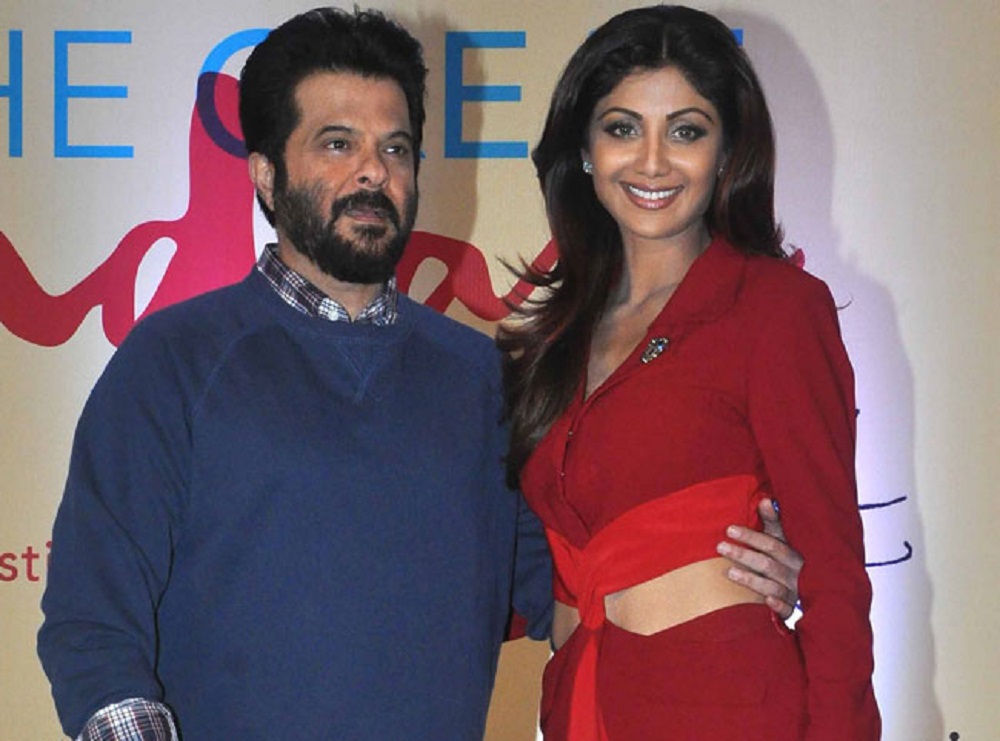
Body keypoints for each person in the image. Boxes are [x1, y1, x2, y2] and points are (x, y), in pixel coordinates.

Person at [38, 7, 803, 741]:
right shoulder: (174, 362)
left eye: (396, 148)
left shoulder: (482, 378)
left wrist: (737, 571)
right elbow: (92, 625)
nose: (374, 170)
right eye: (338, 144)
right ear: (267, 175)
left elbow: (579, 580)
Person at [500, 5, 879, 741]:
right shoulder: (556, 334)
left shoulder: (775, 308)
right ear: (584, 149)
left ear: (727, 149)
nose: (652, 162)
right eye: (622, 128)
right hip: (580, 706)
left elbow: (835, 578)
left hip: (726, 710)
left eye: (686, 131)